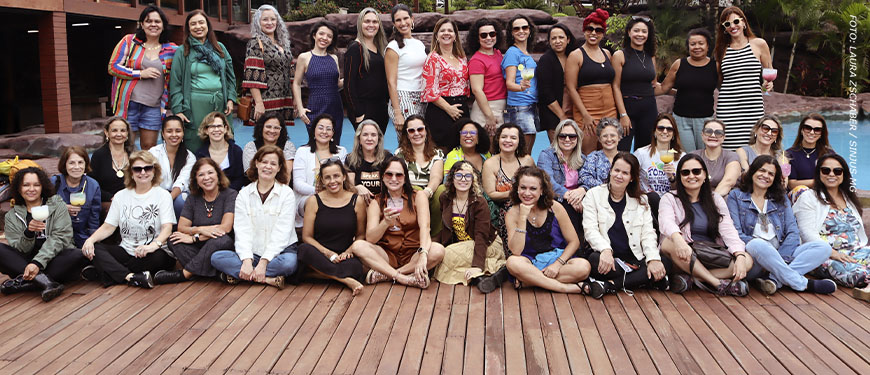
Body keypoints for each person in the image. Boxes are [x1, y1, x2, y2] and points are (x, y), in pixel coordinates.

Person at [727, 156, 836, 295]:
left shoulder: (781, 198)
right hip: (753, 258)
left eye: (771, 174)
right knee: (757, 244)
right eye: (762, 170)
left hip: (781, 252)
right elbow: (736, 233)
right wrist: (771, 257)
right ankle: (803, 284)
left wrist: (779, 258)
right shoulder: (736, 196)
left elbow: (792, 231)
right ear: (753, 171)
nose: (765, 176)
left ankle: (774, 280)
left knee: (823, 247)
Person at [658, 153, 752, 296]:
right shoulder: (669, 198)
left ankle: (694, 278)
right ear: (680, 176)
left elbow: (727, 228)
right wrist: (679, 240)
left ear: (704, 175)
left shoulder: (715, 199)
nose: (691, 176)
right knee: (667, 242)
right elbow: (666, 222)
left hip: (710, 254)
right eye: (685, 172)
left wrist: (739, 254)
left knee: (747, 260)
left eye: (696, 171)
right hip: (683, 254)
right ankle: (717, 283)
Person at [81, 151, 176, 289]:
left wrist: (153, 246)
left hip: (154, 252)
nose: (142, 172)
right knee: (95, 248)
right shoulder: (121, 196)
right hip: (127, 251)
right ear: (131, 173)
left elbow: (167, 228)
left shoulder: (163, 195)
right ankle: (131, 277)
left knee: (159, 258)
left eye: (147, 168)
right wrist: (90, 240)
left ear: (154, 171)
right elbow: (108, 227)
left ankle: (108, 273)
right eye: (137, 169)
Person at [504, 166, 602, 296]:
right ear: (517, 189)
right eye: (523, 188)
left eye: (533, 189)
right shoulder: (512, 213)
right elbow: (516, 251)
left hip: (557, 260)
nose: (527, 193)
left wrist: (557, 264)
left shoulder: (555, 208)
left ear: (542, 190)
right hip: (529, 263)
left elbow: (574, 242)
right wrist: (522, 217)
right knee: (512, 262)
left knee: (583, 267)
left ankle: (529, 282)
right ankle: (565, 288)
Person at [349, 157, 446, 288]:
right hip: (387, 255)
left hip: (413, 253)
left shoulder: (418, 196)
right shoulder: (376, 202)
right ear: (382, 177)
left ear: (405, 178)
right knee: (358, 246)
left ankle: (388, 274)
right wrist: (385, 223)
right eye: (389, 174)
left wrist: (423, 253)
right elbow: (370, 239)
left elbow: (425, 228)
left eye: (399, 175)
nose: (394, 179)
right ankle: (405, 278)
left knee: (438, 250)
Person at [211, 145, 297, 288]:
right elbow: (242, 230)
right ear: (256, 163)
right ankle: (266, 279)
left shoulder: (286, 193)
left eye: (273, 163)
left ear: (279, 168)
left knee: (289, 263)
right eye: (264, 162)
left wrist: (264, 262)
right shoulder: (244, 194)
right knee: (217, 258)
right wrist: (246, 260)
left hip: (281, 251)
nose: (268, 167)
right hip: (253, 252)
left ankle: (245, 275)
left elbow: (282, 232)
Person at [582, 153, 670, 293]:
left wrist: (653, 259)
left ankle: (610, 285)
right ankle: (646, 280)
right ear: (610, 171)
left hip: (635, 258)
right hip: (609, 259)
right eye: (616, 170)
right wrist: (605, 250)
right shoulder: (593, 195)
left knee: (664, 262)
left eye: (625, 173)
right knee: (594, 260)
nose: (619, 175)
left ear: (632, 178)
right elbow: (590, 230)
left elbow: (648, 233)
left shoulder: (641, 200)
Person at [0, 167, 85, 302]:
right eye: (26, 185)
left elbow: (61, 238)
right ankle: (46, 282)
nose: (31, 189)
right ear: (18, 188)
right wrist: (28, 233)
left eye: (36, 185)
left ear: (42, 187)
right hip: (25, 263)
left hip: (52, 260)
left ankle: (25, 283)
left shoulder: (57, 206)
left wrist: (37, 263)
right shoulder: (12, 216)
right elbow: (20, 249)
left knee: (76, 254)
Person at [795, 154, 870, 301]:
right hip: (824, 256)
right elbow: (807, 233)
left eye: (837, 171)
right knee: (857, 273)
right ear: (818, 174)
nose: (831, 174)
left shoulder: (847, 197)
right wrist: (833, 252)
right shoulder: (809, 197)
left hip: (856, 250)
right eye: (825, 170)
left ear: (844, 174)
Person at [108, 5, 177, 151]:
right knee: (125, 147)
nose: (153, 24)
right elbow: (113, 67)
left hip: (153, 106)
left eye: (157, 21)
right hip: (128, 104)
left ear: (163, 25)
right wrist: (139, 74)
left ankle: (145, 173)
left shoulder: (171, 50)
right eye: (148, 21)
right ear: (142, 24)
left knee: (149, 148)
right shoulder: (129, 42)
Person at [161, 158, 237, 284]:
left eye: (210, 173)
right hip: (199, 247)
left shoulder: (230, 195)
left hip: (221, 245)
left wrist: (194, 238)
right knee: (174, 239)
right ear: (196, 180)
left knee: (220, 240)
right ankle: (217, 274)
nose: (206, 178)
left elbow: (226, 228)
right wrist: (200, 229)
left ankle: (186, 274)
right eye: (201, 175)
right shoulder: (193, 198)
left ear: (218, 175)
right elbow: (182, 227)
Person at [434, 161, 507, 293]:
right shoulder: (445, 198)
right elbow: (446, 229)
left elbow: (482, 237)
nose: (463, 180)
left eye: (468, 176)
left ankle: (483, 271)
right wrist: (429, 244)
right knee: (438, 252)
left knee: (445, 256)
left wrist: (477, 266)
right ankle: (482, 278)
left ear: (473, 180)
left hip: (487, 243)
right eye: (459, 175)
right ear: (452, 178)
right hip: (463, 244)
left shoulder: (480, 203)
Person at [169, 10, 236, 153]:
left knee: (223, 140)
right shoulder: (183, 51)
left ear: (208, 25)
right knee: (196, 142)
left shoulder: (220, 48)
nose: (198, 26)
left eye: (201, 22)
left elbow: (230, 77)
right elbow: (176, 83)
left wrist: (230, 98)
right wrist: (178, 110)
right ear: (188, 28)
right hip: (194, 104)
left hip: (220, 102)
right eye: (193, 24)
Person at [297, 159, 367, 294]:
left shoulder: (356, 201)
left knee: (355, 268)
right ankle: (345, 280)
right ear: (322, 180)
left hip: (343, 256)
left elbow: (360, 234)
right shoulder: (314, 200)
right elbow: (307, 237)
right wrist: (328, 253)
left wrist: (348, 252)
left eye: (336, 176)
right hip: (320, 253)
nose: (332, 181)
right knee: (303, 250)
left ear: (344, 177)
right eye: (327, 177)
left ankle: (316, 274)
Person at [714, 6, 773, 149]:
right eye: (727, 24)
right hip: (727, 109)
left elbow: (769, 73)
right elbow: (716, 79)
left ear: (744, 22)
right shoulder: (721, 50)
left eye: (736, 21)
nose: (732, 26)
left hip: (753, 107)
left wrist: (767, 85)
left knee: (754, 148)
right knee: (729, 148)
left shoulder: (759, 44)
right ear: (724, 28)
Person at [565, 8, 618, 154]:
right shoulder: (576, 55)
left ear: (603, 33)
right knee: (587, 154)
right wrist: (585, 114)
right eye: (590, 29)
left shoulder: (607, 53)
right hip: (587, 111)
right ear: (584, 30)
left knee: (609, 152)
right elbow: (571, 88)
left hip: (610, 110)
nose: (593, 33)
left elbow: (615, 84)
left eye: (598, 30)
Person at [655, 28, 717, 152]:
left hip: (706, 120)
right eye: (693, 44)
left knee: (706, 155)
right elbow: (663, 88)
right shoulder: (679, 64)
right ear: (688, 46)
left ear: (708, 46)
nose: (697, 47)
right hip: (682, 120)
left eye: (701, 43)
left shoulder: (715, 66)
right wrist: (640, 88)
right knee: (687, 156)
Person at [482, 123, 536, 245]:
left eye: (513, 138)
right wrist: (515, 193)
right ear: (498, 139)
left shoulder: (527, 160)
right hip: (503, 208)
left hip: (529, 203)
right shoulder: (490, 164)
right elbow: (491, 194)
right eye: (504, 137)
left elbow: (537, 184)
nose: (508, 141)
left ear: (519, 141)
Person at [241, 4, 294, 126]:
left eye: (273, 19)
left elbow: (291, 73)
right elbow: (252, 76)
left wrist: (294, 100)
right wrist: (259, 103)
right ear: (258, 23)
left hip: (284, 99)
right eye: (265, 19)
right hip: (266, 100)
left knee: (280, 135)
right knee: (266, 134)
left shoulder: (283, 44)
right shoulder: (255, 43)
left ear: (278, 21)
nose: (269, 22)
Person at [293, 114, 348, 228]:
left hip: (335, 195)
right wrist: (319, 191)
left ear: (333, 133)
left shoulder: (341, 152)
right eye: (321, 127)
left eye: (329, 129)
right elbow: (298, 184)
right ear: (313, 131)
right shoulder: (302, 151)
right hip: (308, 197)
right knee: (316, 202)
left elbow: (342, 179)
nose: (324, 132)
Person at [293, 20, 345, 141]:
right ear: (314, 35)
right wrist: (300, 108)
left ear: (332, 40)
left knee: (334, 144)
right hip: (315, 107)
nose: (324, 38)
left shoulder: (334, 58)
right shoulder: (304, 57)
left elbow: (337, 84)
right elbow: (296, 83)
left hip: (335, 107)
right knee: (315, 144)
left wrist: (350, 77)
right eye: (321, 34)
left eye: (329, 36)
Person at [423, 18, 470, 150]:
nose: (446, 33)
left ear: (455, 36)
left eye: (450, 30)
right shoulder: (433, 58)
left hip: (461, 109)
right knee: (443, 150)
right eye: (442, 31)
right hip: (441, 110)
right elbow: (430, 90)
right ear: (436, 36)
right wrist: (449, 109)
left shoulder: (461, 58)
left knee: (462, 150)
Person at [612, 15, 657, 151]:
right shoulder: (620, 55)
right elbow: (615, 86)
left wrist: (676, 91)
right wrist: (623, 114)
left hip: (649, 108)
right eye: (636, 30)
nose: (640, 34)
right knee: (622, 150)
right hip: (628, 107)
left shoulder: (651, 56)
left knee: (646, 150)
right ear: (629, 32)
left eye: (644, 31)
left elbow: (654, 85)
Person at [344, 7, 389, 132]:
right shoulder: (355, 48)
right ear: (360, 24)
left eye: (375, 22)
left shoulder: (381, 48)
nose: (371, 25)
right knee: (366, 147)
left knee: (378, 147)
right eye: (367, 21)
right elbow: (348, 84)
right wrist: (357, 112)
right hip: (364, 109)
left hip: (380, 107)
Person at [537, 119, 585, 230]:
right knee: (568, 208)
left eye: (572, 136)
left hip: (577, 200)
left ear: (577, 138)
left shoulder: (582, 158)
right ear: (557, 138)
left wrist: (582, 190)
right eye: (562, 136)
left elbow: (587, 180)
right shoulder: (547, 155)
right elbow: (547, 182)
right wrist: (570, 197)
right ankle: (573, 244)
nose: (567, 139)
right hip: (556, 198)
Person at [385, 4, 426, 133]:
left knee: (421, 141)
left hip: (422, 97)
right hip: (403, 98)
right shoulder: (393, 47)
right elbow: (391, 82)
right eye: (398, 20)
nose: (403, 23)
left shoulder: (419, 44)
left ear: (412, 19)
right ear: (394, 23)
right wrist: (397, 113)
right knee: (408, 142)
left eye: (405, 18)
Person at [51, 147, 102, 248]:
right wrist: (61, 208)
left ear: (86, 164)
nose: (76, 167)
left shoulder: (92, 185)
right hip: (57, 235)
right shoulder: (54, 182)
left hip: (82, 235)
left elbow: (94, 217)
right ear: (64, 165)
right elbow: (41, 206)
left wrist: (92, 241)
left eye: (80, 162)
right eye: (71, 163)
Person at [502, 15, 539, 154]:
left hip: (530, 105)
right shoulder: (513, 52)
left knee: (527, 150)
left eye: (524, 27)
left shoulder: (526, 53)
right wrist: (521, 87)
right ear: (511, 33)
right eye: (516, 28)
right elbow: (510, 83)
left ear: (530, 30)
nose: (521, 31)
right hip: (519, 106)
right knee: (523, 152)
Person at [148, 115, 195, 218]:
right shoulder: (153, 153)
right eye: (169, 131)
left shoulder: (190, 157)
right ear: (163, 134)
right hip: (156, 194)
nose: (174, 135)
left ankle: (178, 231)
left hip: (177, 195)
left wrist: (168, 199)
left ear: (183, 133)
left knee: (181, 200)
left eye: (178, 131)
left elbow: (182, 181)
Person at [536, 24, 576, 142]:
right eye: (553, 38)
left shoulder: (573, 56)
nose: (557, 41)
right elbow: (545, 92)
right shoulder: (546, 60)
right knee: (560, 151)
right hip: (555, 114)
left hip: (574, 111)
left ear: (568, 39)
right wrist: (562, 116)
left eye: (561, 37)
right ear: (549, 41)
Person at [467, 18, 506, 136]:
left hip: (501, 107)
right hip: (487, 108)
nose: (489, 38)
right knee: (488, 150)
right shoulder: (477, 60)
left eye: (492, 34)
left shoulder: (498, 54)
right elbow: (476, 90)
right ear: (477, 38)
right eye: (484, 35)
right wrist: (489, 116)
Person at [89, 117, 135, 214]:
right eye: (114, 130)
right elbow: (91, 185)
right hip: (107, 201)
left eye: (122, 130)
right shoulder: (99, 155)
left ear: (127, 134)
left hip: (131, 199)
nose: (119, 134)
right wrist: (112, 197)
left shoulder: (134, 155)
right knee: (115, 210)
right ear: (107, 133)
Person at [633, 113, 685, 196]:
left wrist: (672, 178)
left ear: (674, 134)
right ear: (654, 132)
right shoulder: (641, 153)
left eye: (669, 129)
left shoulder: (682, 157)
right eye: (661, 128)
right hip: (647, 201)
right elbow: (631, 177)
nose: (665, 131)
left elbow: (683, 189)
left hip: (672, 202)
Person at [193, 112, 246, 191]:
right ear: (206, 130)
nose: (216, 129)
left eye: (219, 126)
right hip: (208, 195)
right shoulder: (201, 154)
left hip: (231, 195)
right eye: (212, 126)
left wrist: (225, 194)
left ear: (225, 129)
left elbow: (240, 179)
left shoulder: (236, 151)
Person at [345, 119, 392, 202]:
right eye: (365, 135)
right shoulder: (350, 159)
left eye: (373, 135)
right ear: (359, 139)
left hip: (382, 202)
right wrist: (357, 188)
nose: (369, 138)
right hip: (360, 203)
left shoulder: (387, 157)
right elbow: (350, 187)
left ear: (378, 139)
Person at [690, 119, 740, 196]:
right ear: (702, 135)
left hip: (724, 199)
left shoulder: (731, 156)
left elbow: (729, 182)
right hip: (697, 198)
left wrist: (711, 202)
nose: (713, 135)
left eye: (718, 133)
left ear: (723, 137)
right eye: (708, 131)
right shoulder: (693, 155)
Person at [786, 113, 834, 191]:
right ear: (801, 130)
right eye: (808, 128)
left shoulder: (829, 154)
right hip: (800, 198)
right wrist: (820, 181)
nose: (812, 132)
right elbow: (791, 184)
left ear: (821, 134)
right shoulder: (789, 154)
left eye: (817, 130)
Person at [579, 118, 623, 192]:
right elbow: (584, 177)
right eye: (605, 136)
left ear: (619, 137)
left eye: (612, 135)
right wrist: (606, 187)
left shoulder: (625, 158)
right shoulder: (593, 157)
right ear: (599, 139)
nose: (609, 139)